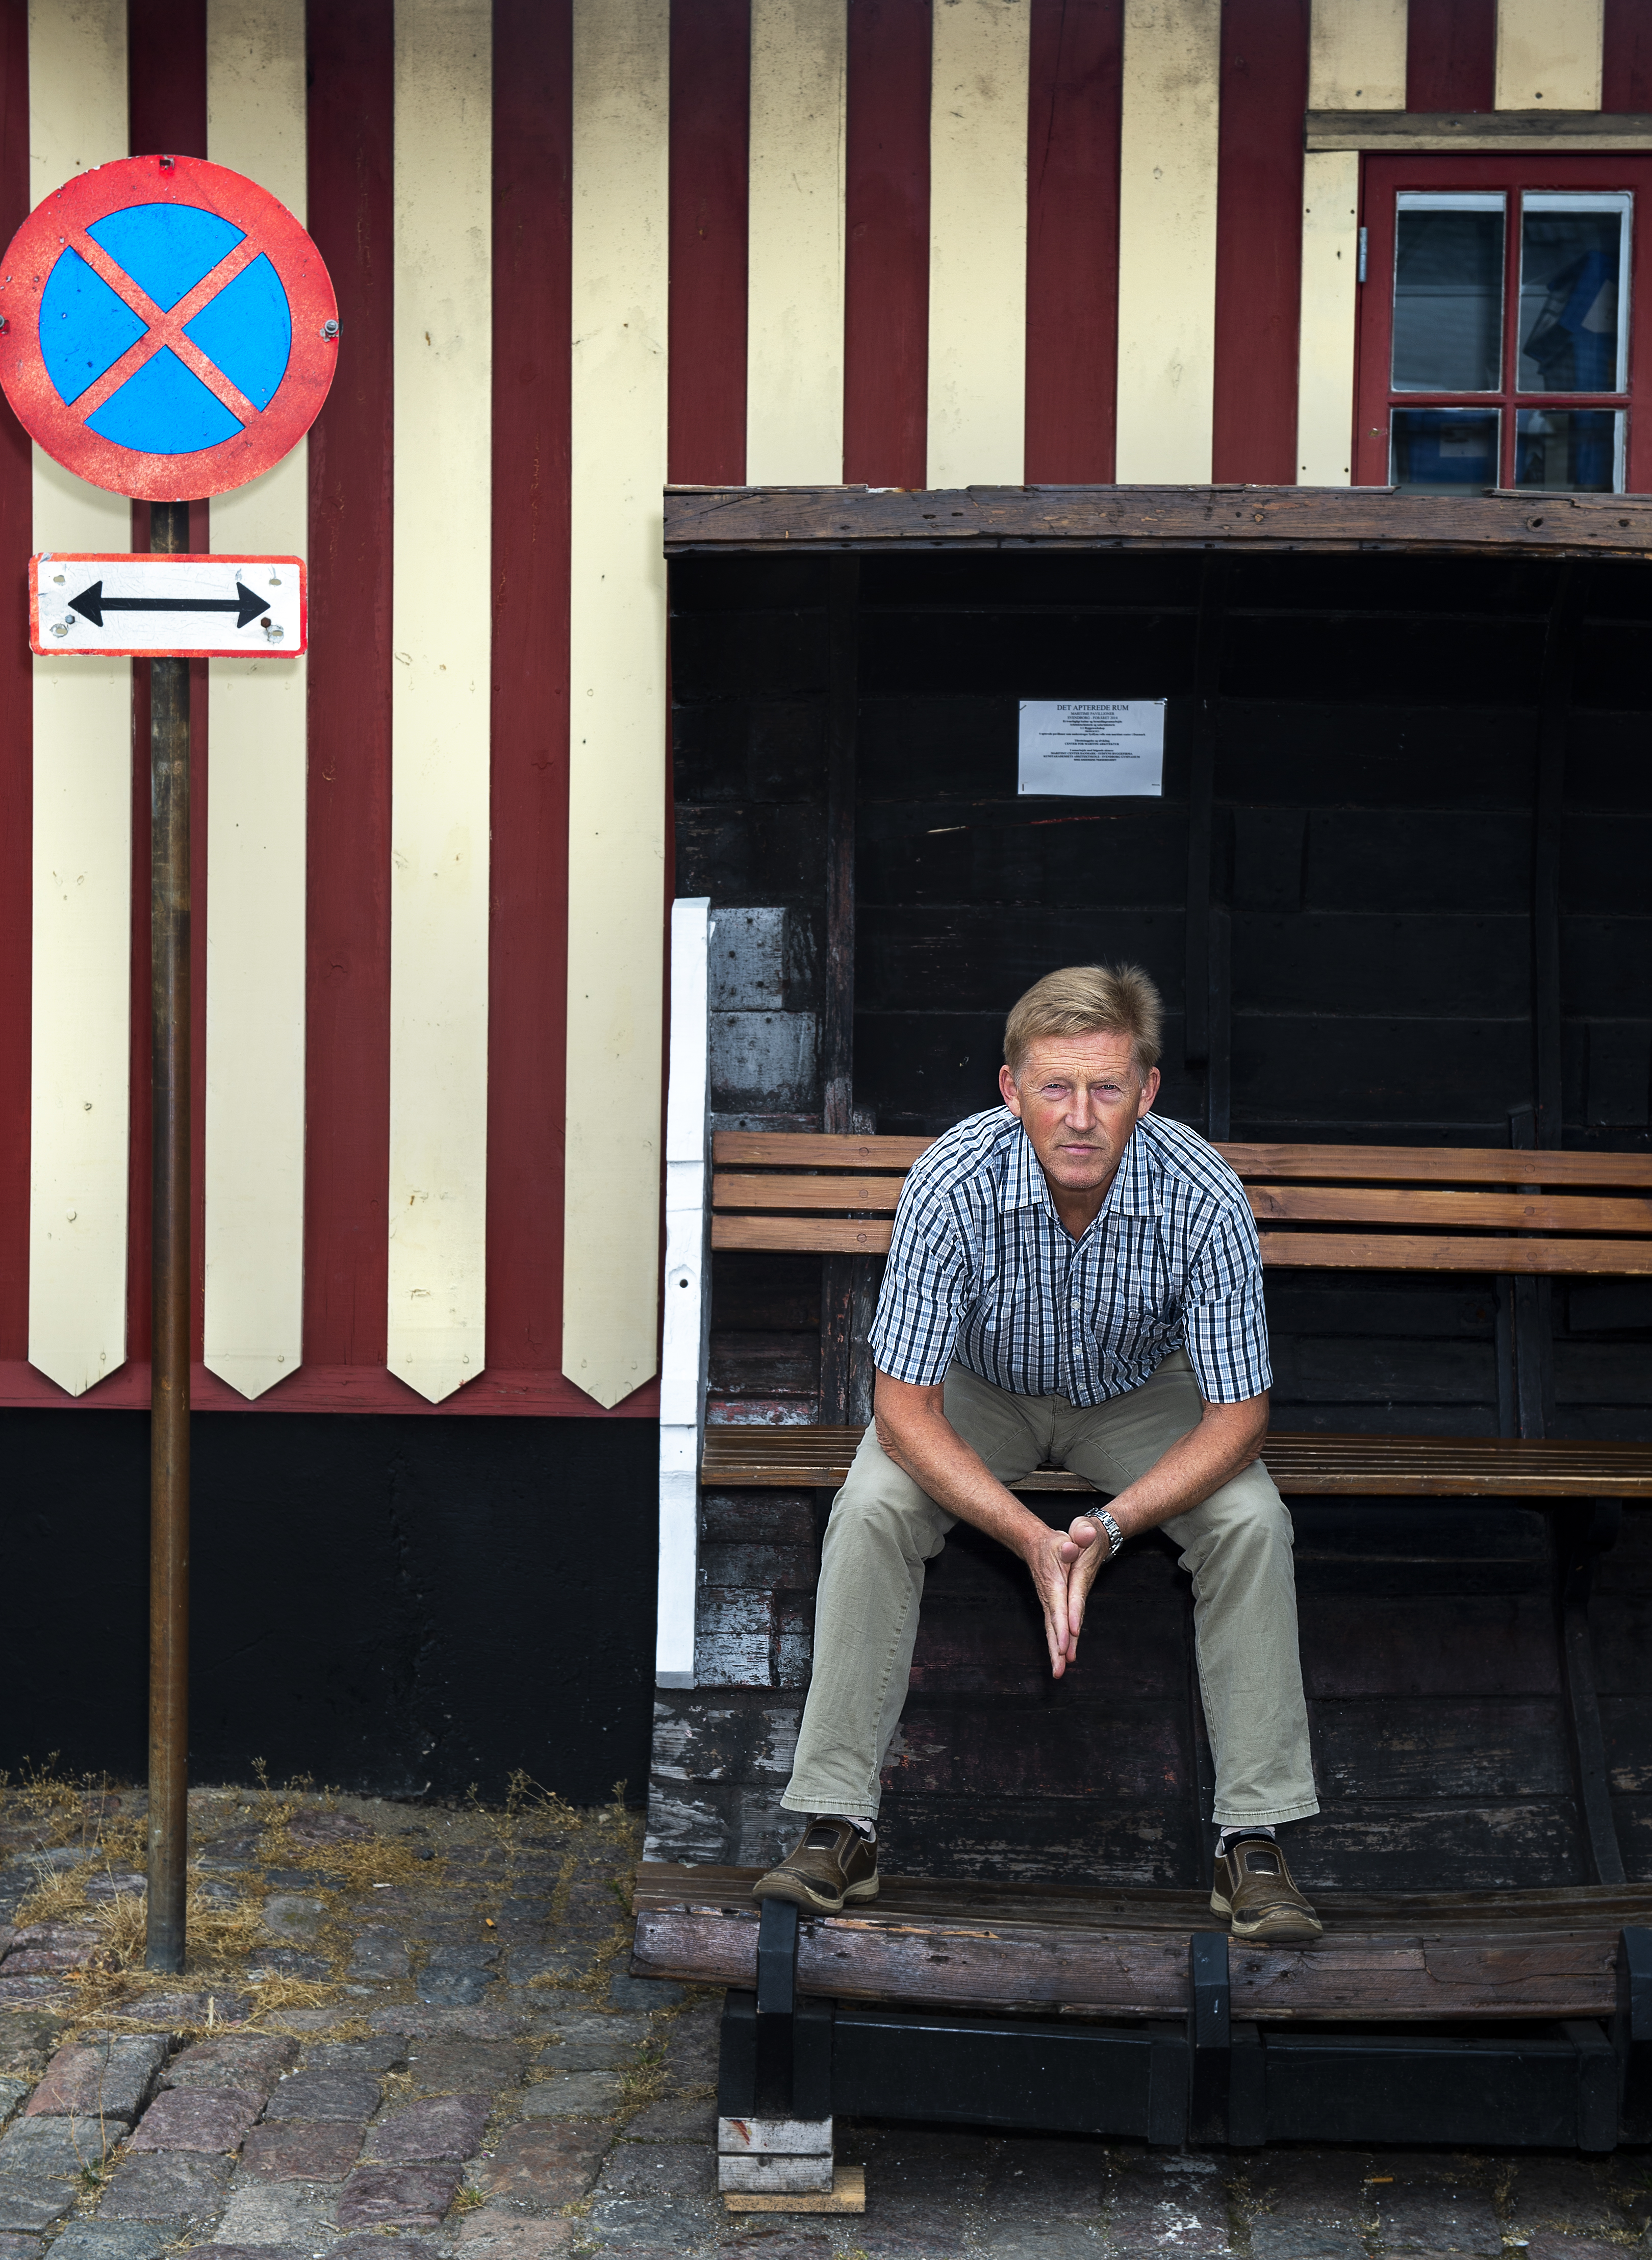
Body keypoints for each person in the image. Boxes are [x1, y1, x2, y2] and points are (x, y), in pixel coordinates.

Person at [752, 963, 1321, 1944]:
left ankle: (1254, 1840)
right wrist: (1028, 1535)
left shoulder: (1204, 1193)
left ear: (1148, 1089)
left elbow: (1238, 1418)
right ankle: (838, 1822)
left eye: (1107, 1087)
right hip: (979, 1394)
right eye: (1055, 1087)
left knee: (1252, 1521)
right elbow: (901, 1407)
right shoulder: (953, 1178)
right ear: (1010, 1088)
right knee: (874, 1507)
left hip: (1141, 1396)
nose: (1081, 1116)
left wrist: (1105, 1526)